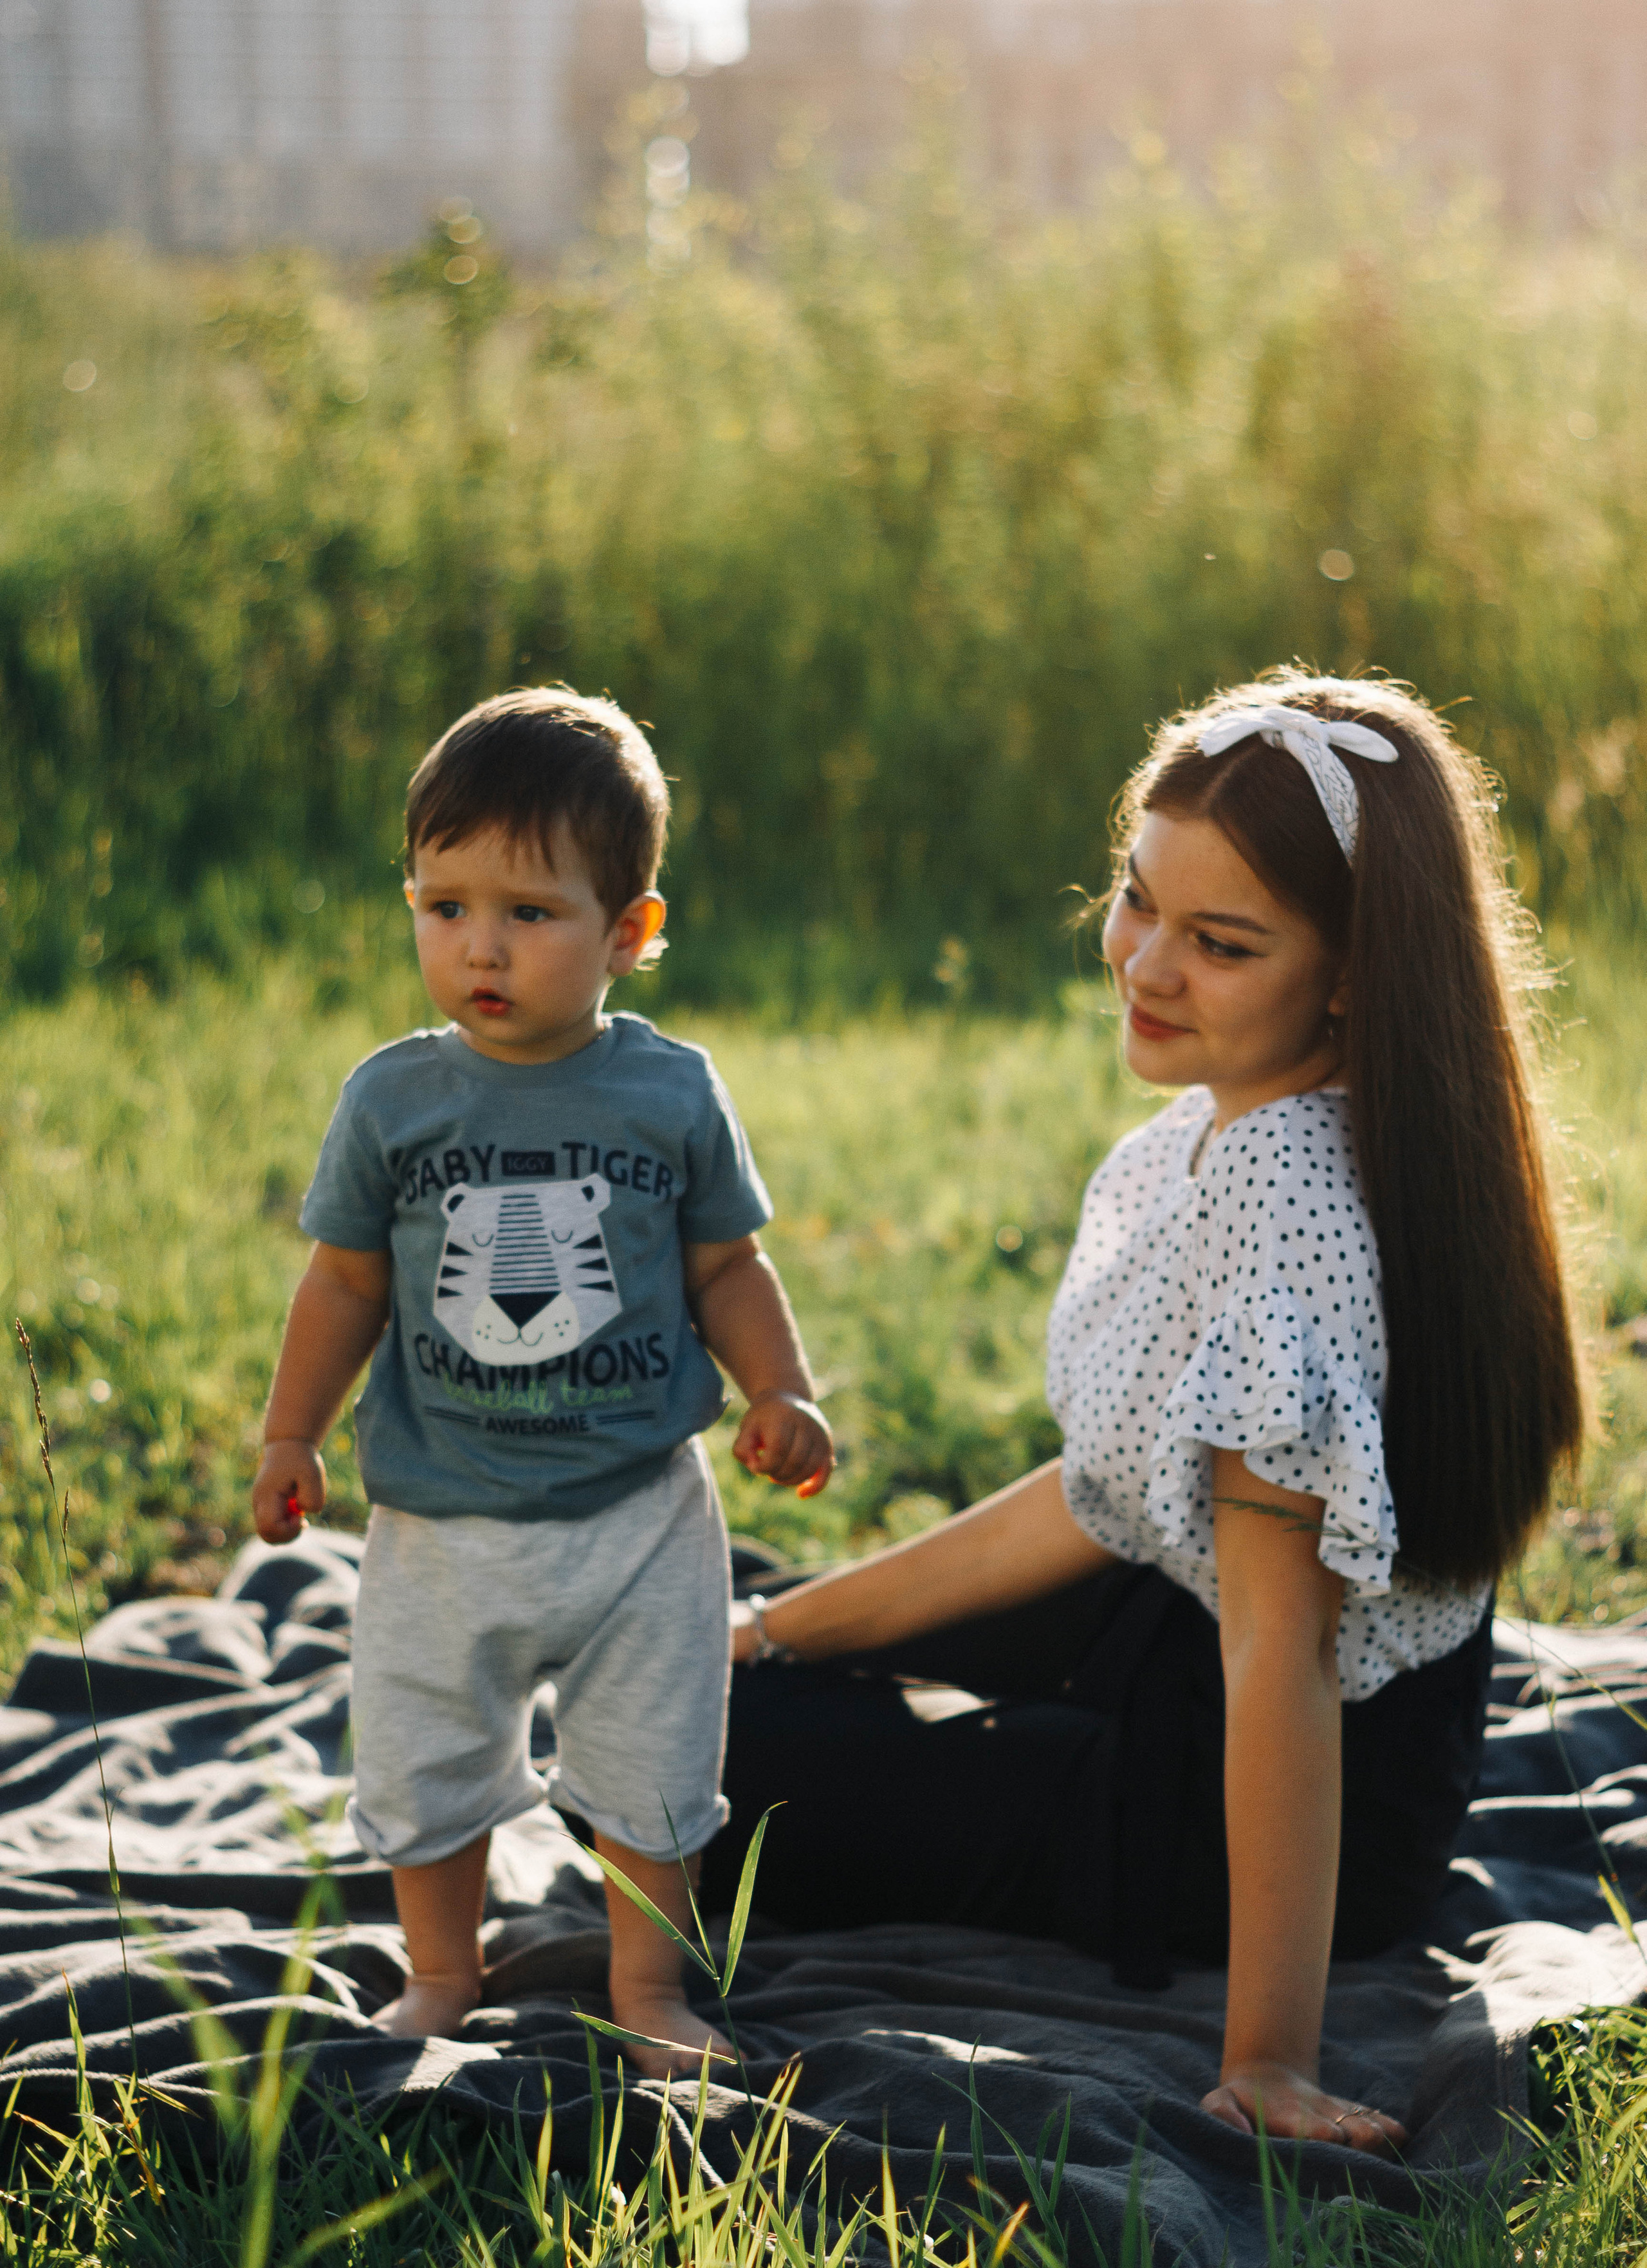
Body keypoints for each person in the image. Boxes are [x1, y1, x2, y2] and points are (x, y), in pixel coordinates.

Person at [703, 670, 1583, 2150]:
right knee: (692, 1652)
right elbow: (1099, 1495)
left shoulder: (1281, 1205)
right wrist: (779, 1626)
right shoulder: (1263, 1124)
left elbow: (1278, 1654)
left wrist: (1269, 2059)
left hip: (1261, 1791)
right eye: (1137, 900)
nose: (1144, 963)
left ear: (1355, 969)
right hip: (1179, 1635)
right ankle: (769, 1652)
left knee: (682, 1763)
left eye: (1219, 943)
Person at [252, 688, 833, 2067]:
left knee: (652, 1764)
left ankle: (646, 1992)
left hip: (638, 1509)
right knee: (427, 1754)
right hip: (440, 1516)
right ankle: (442, 1973)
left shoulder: (668, 1093)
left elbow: (723, 1267)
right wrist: (291, 1431)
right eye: (442, 906)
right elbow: (344, 1282)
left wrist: (778, 1387)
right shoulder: (392, 1101)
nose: (478, 948)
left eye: (527, 911)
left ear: (629, 932)